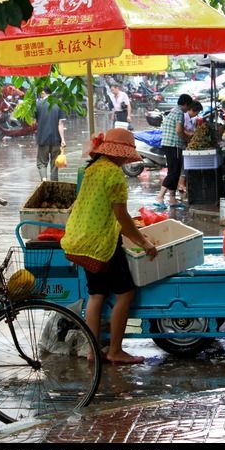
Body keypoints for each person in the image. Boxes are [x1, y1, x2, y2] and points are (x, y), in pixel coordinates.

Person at [61, 128, 158, 364]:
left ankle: (93, 351)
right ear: (121, 153)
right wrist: (144, 242)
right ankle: (115, 350)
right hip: (102, 244)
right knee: (125, 292)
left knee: (96, 295)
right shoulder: (114, 174)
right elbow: (121, 217)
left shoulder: (91, 169)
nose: (127, 159)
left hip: (80, 240)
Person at [155, 94, 193, 207]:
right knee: (173, 172)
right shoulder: (179, 113)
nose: (188, 108)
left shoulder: (173, 111)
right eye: (188, 106)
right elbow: (179, 131)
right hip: (174, 145)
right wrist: (187, 139)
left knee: (174, 172)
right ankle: (160, 196)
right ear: (186, 104)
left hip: (168, 144)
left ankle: (172, 198)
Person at [34, 86, 66, 181]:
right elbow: (60, 124)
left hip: (42, 138)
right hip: (56, 140)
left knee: (41, 163)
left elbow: (34, 122)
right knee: (55, 165)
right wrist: (63, 140)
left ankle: (44, 181)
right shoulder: (59, 104)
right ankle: (54, 186)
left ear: (43, 93)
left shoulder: (38, 104)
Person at [178, 100, 203, 194]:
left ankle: (183, 185)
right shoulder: (184, 116)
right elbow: (181, 130)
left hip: (187, 144)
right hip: (182, 144)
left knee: (186, 165)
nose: (197, 114)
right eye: (197, 112)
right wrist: (191, 135)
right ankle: (181, 185)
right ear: (193, 110)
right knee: (184, 165)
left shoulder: (191, 119)